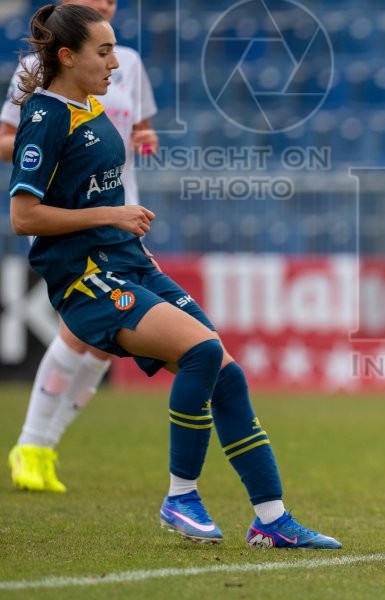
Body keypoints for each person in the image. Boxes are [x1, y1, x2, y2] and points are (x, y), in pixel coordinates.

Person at [8, 3, 340, 549]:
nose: (116, 63)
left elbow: (101, 190)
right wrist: (111, 216)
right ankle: (180, 496)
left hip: (128, 263)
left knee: (226, 372)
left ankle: (272, 518)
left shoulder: (90, 106)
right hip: (86, 279)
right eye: (104, 51)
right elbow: (24, 217)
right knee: (202, 354)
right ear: (67, 57)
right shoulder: (46, 116)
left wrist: (133, 245)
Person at [3, 0, 158, 493]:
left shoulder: (127, 62)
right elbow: (9, 138)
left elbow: (135, 127)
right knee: (82, 330)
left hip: (122, 212)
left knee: (102, 343)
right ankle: (31, 443)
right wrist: (54, 138)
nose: (105, 4)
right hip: (77, 218)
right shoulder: (39, 69)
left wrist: (145, 134)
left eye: (112, 0)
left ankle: (44, 444)